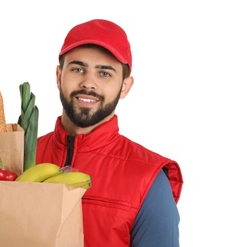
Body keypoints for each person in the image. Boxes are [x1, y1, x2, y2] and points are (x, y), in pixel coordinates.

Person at [36, 19, 183, 247]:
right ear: (58, 76)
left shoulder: (148, 178)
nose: (88, 83)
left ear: (125, 86)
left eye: (104, 74)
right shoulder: (18, 160)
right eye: (77, 69)